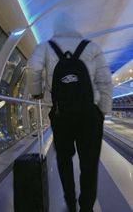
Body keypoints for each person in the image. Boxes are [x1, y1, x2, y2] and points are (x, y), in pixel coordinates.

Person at [27, 12, 112, 212]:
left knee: (64, 160)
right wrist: (102, 112)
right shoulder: (91, 48)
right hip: (89, 115)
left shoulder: (46, 48)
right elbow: (105, 81)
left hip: (60, 114)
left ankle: (70, 204)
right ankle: (86, 207)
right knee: (89, 164)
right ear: (75, 28)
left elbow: (33, 69)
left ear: (55, 28)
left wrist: (37, 93)